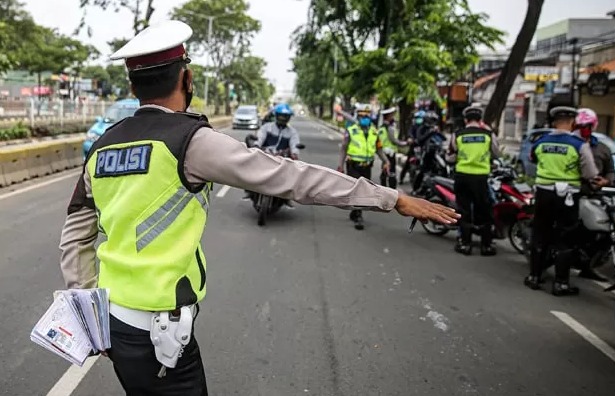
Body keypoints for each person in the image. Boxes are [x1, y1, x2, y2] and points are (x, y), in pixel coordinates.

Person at [58, 21, 459, 396]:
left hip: (114, 324)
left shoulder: (103, 145)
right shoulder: (191, 141)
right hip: (161, 335)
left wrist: (92, 319)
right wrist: (392, 198)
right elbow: (293, 178)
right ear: (186, 77)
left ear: (133, 86)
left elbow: (75, 235)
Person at [524, 106, 607, 296]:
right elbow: (590, 173)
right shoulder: (578, 144)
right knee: (565, 238)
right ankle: (561, 283)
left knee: (540, 234)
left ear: (553, 122)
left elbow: (533, 159)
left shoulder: (541, 141)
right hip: (567, 196)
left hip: (543, 194)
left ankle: (534, 277)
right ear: (572, 123)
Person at [446, 106, 501, 256]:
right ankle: (486, 246)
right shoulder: (488, 134)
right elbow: (497, 154)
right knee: (484, 210)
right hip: (480, 178)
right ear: (480, 120)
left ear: (465, 120)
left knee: (463, 210)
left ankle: (465, 244)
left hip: (462, 177)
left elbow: (450, 157)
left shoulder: (458, 135)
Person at [574, 108, 615, 281]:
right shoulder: (572, 144)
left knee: (601, 232)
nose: (584, 129)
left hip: (595, 198)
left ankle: (589, 266)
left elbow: (611, 172)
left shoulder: (603, 149)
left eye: (587, 126)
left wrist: (605, 182)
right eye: (581, 125)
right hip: (574, 194)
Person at [336, 104, 391, 230]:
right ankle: (359, 216)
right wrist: (340, 165)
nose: (365, 118)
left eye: (367, 115)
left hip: (367, 167)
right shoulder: (351, 130)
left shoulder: (374, 131)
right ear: (358, 116)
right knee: (358, 191)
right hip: (353, 165)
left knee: (365, 191)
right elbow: (344, 148)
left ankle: (354, 212)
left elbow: (379, 149)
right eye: (362, 115)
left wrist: (386, 161)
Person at [243, 103, 300, 204]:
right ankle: (249, 190)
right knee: (250, 168)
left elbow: (294, 144)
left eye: (285, 116)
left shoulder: (292, 132)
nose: (283, 118)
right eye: (281, 115)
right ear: (276, 115)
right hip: (266, 156)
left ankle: (286, 197)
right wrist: (256, 145)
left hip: (282, 159)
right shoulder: (267, 127)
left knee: (292, 173)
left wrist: (294, 153)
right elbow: (260, 138)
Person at [411, 111, 447, 195]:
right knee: (423, 170)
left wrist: (437, 132)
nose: (433, 123)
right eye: (432, 120)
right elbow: (420, 139)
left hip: (436, 152)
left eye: (434, 121)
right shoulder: (422, 128)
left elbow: (444, 138)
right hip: (425, 152)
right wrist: (430, 132)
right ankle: (415, 188)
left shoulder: (435, 129)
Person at [378, 107, 410, 189]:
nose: (393, 117)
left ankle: (383, 188)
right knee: (391, 172)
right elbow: (394, 141)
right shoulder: (389, 127)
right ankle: (391, 189)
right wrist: (405, 143)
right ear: (388, 116)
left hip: (384, 152)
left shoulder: (382, 127)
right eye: (392, 115)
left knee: (385, 170)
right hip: (390, 153)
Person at [399, 110, 425, 184]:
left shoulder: (425, 127)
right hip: (414, 147)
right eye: (417, 118)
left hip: (423, 148)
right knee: (408, 163)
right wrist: (410, 139)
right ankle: (401, 178)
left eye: (420, 118)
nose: (418, 119)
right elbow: (410, 133)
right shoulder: (414, 126)